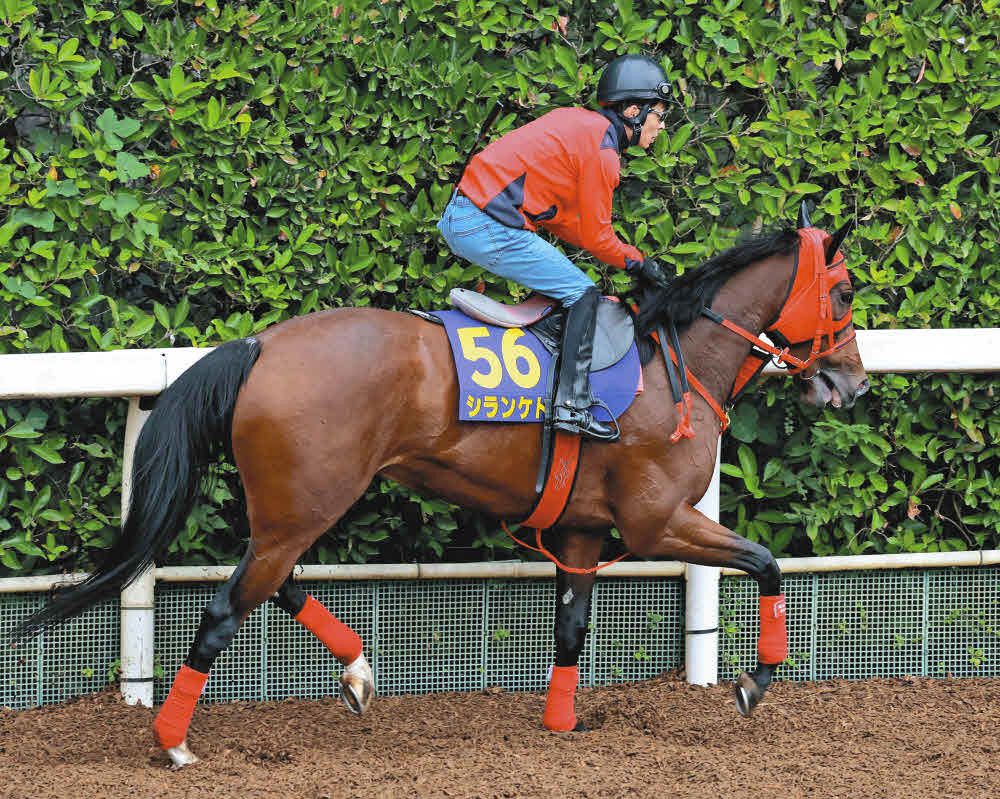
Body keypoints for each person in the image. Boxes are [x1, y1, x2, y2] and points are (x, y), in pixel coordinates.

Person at [438, 54, 673, 442]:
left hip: (471, 216)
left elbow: (568, 225)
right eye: (659, 116)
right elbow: (597, 236)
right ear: (634, 110)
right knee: (582, 293)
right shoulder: (603, 152)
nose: (661, 126)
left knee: (568, 289)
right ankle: (571, 406)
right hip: (484, 223)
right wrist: (639, 263)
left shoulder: (582, 125)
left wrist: (633, 262)